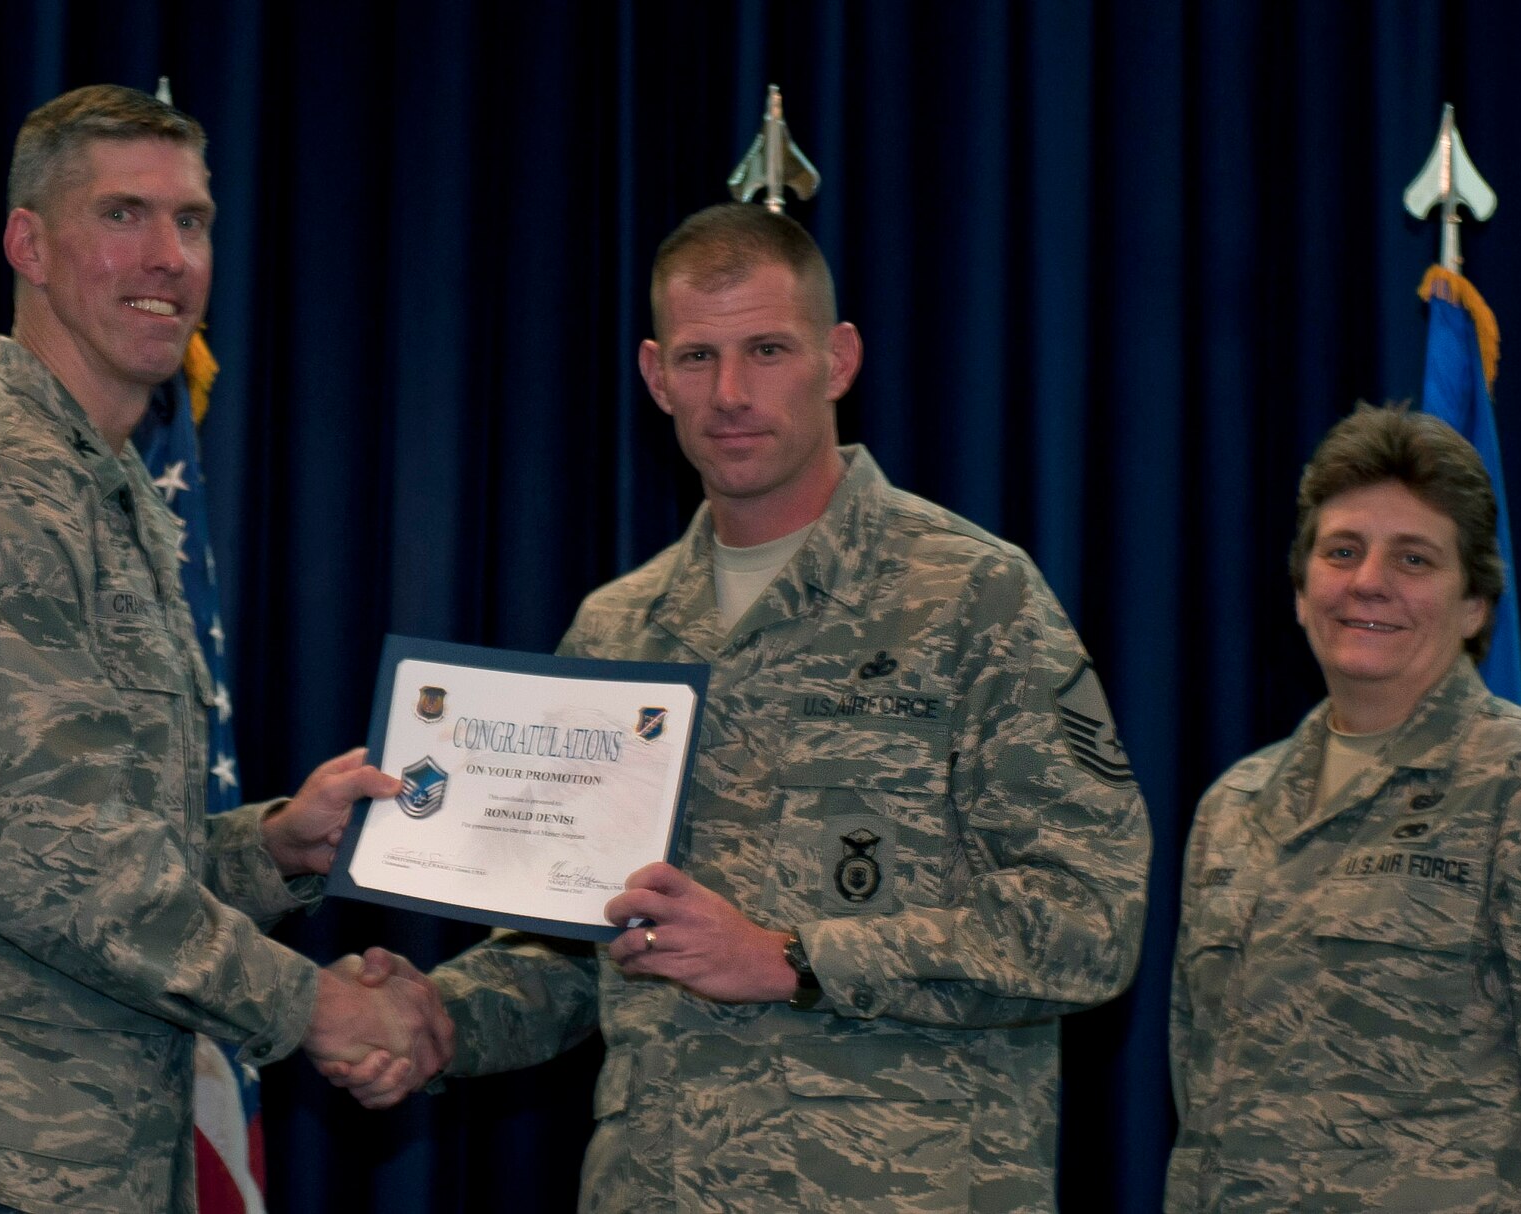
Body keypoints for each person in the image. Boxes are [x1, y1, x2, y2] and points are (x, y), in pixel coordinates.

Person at [339, 203, 1152, 1210]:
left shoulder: (974, 597)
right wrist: (438, 1018)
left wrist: (789, 956)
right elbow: (577, 940)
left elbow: (1085, 921)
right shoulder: (617, 628)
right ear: (652, 375)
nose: (729, 394)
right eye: (696, 357)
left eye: (767, 350)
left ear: (837, 357)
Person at [0, 85, 450, 1214]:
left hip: (69, 1160)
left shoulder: (107, 494)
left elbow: (92, 833)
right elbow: (56, 863)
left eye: (191, 221)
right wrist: (323, 1008)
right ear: (27, 244)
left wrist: (274, 848)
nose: (169, 256)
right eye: (124, 214)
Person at [1165, 404, 1521, 1211]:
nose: (1368, 580)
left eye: (1414, 559)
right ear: (1302, 590)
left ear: (1475, 606)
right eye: (1341, 551)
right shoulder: (1234, 810)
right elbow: (1201, 1111)